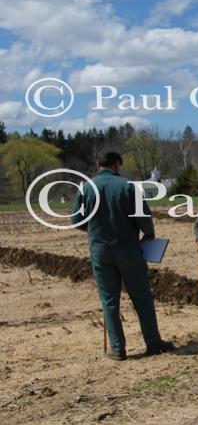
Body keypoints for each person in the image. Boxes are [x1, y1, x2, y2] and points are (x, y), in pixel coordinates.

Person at [71, 151, 174, 361]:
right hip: (129, 250)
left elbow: (76, 220)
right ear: (117, 164)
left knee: (109, 301)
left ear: (98, 164)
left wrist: (95, 231)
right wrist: (149, 236)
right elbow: (144, 219)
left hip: (100, 252)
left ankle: (118, 349)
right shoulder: (128, 187)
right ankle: (153, 342)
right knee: (141, 297)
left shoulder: (86, 188)